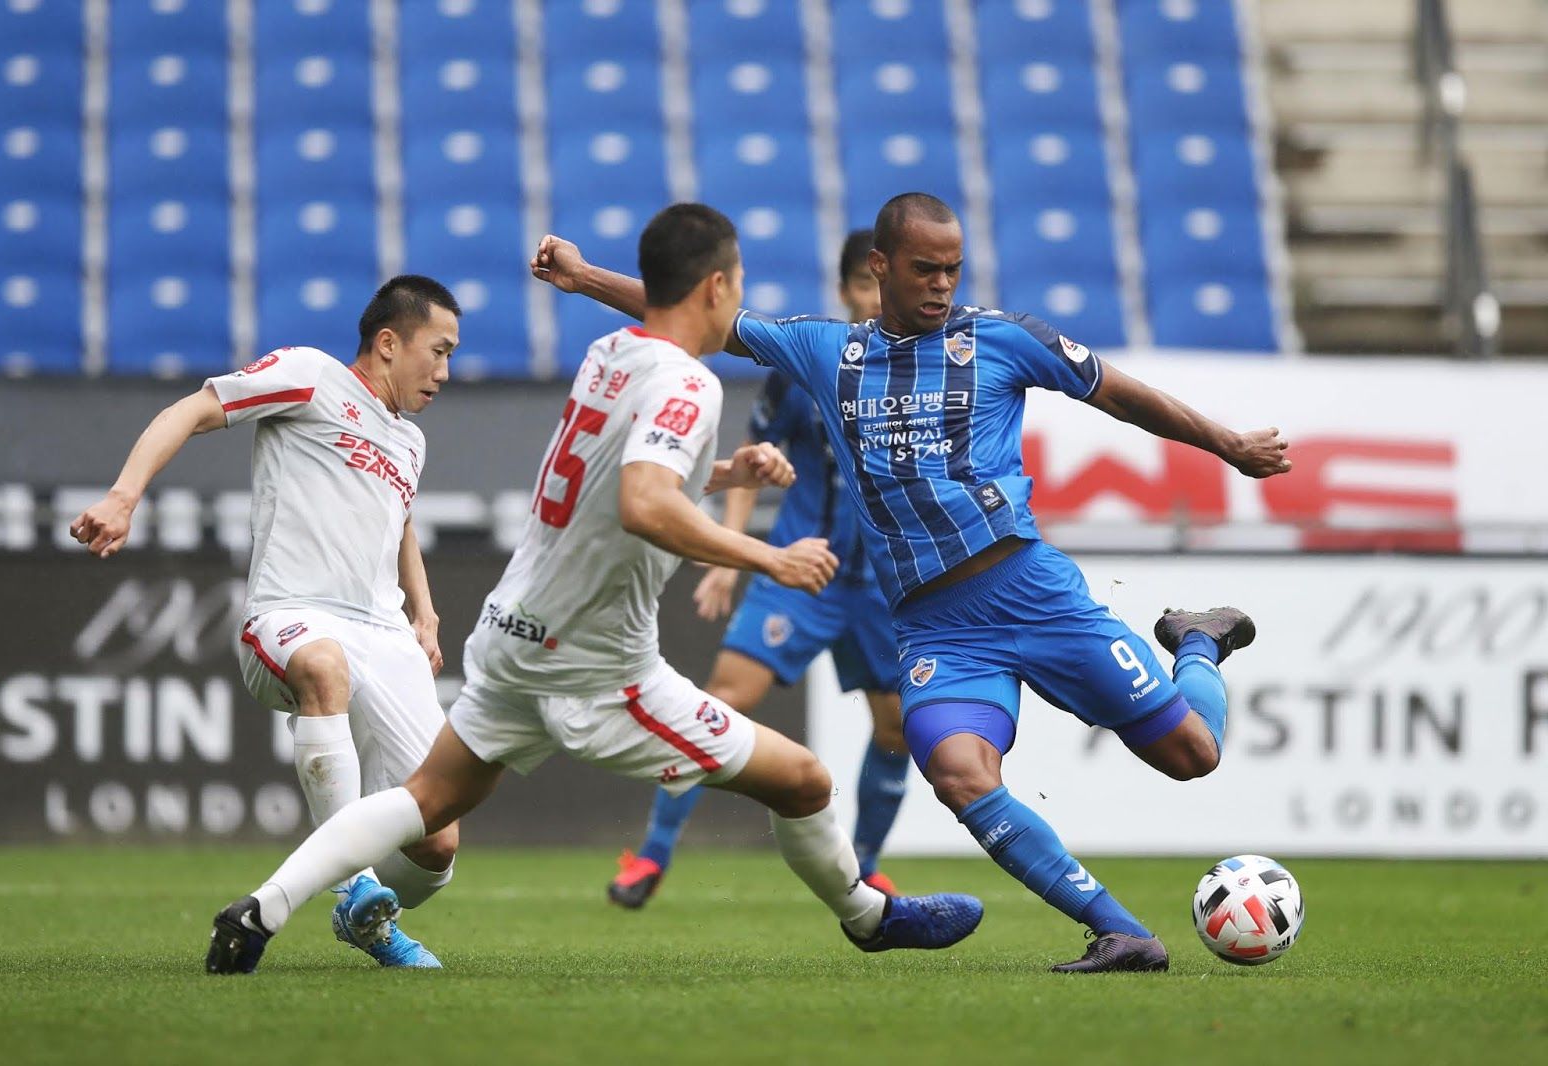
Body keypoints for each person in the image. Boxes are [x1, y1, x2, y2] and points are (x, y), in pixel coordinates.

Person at [204, 204, 983, 975]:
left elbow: (616, 479)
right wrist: (766, 558)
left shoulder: (612, 352)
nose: (740, 297)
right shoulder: (691, 385)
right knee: (804, 781)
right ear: (716, 287)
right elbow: (643, 503)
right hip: (598, 666)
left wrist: (723, 475)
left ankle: (260, 910)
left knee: (428, 800)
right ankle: (868, 916)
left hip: (514, 629)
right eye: (737, 281)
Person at [529, 192, 1294, 973]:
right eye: (925, 269)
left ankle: (1197, 641)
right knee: (959, 774)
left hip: (1032, 591)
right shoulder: (828, 352)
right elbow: (699, 318)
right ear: (880, 267)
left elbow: (1123, 396)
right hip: (937, 628)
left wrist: (1228, 444)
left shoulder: (1004, 340)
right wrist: (586, 276)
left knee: (1193, 756)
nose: (941, 285)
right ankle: (1121, 931)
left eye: (952, 270)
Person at [72, 275, 464, 969]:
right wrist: (123, 496)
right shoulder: (309, 376)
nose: (444, 371)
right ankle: (356, 888)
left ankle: (365, 914)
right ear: (386, 342)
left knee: (437, 842)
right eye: (437, 350)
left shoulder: (410, 443)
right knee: (324, 667)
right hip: (292, 613)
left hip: (384, 632)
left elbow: (399, 522)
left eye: (451, 356)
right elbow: (194, 410)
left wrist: (425, 615)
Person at [608, 230, 911, 909]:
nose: (870, 301)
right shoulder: (806, 366)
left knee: (898, 730)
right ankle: (652, 854)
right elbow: (752, 458)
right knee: (720, 701)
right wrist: (726, 552)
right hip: (800, 571)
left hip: (884, 587)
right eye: (861, 287)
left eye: (881, 289)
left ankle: (864, 863)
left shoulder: (921, 378)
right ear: (844, 291)